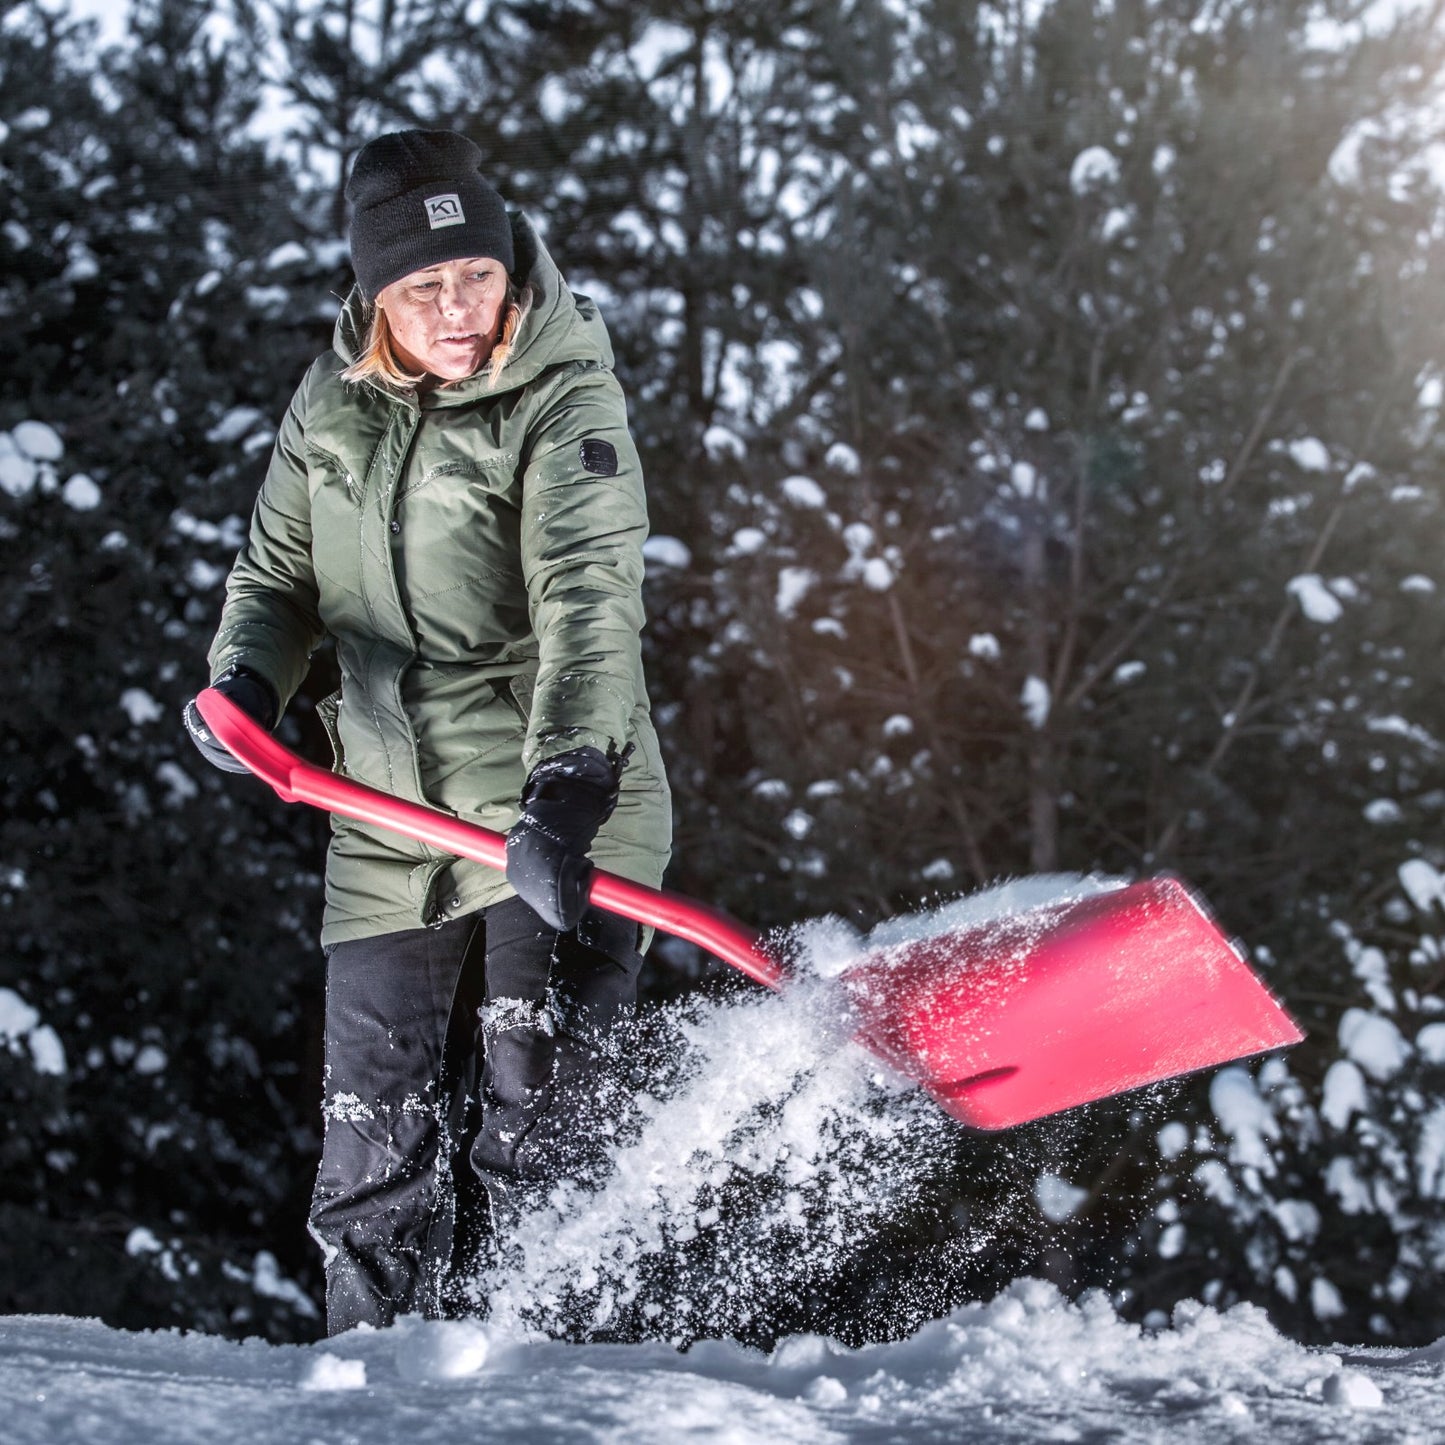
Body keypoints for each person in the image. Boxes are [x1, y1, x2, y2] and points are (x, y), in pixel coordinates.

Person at [183, 129, 672, 1335]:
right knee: (370, 1145)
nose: (458, 309)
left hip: (553, 802)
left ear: (510, 267)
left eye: (478, 275)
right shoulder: (330, 400)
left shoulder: (564, 394)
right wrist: (245, 680)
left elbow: (587, 594)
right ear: (372, 295)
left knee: (540, 1121)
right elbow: (277, 578)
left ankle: (551, 1383)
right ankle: (376, 1387)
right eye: (422, 286)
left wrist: (570, 779)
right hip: (385, 810)